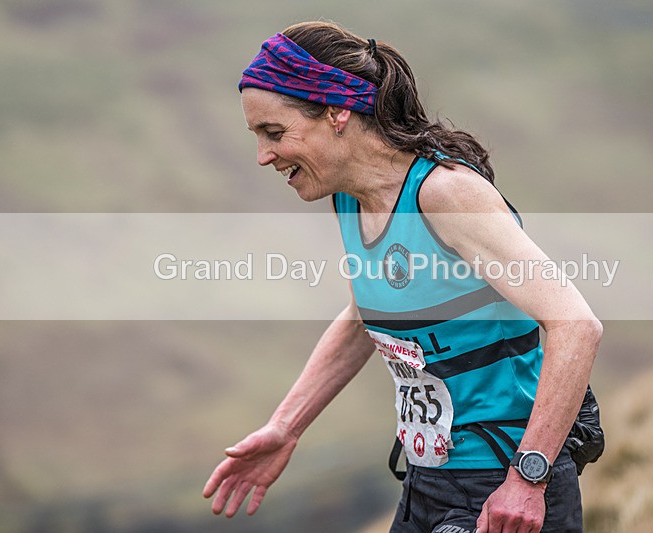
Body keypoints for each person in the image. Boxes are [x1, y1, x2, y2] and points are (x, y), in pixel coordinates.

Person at [203, 20, 602, 533]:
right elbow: (362, 317)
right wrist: (285, 427)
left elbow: (576, 325)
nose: (263, 156)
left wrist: (528, 480)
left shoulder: (446, 194)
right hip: (426, 481)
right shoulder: (349, 197)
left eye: (274, 133)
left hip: (504, 483)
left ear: (336, 112)